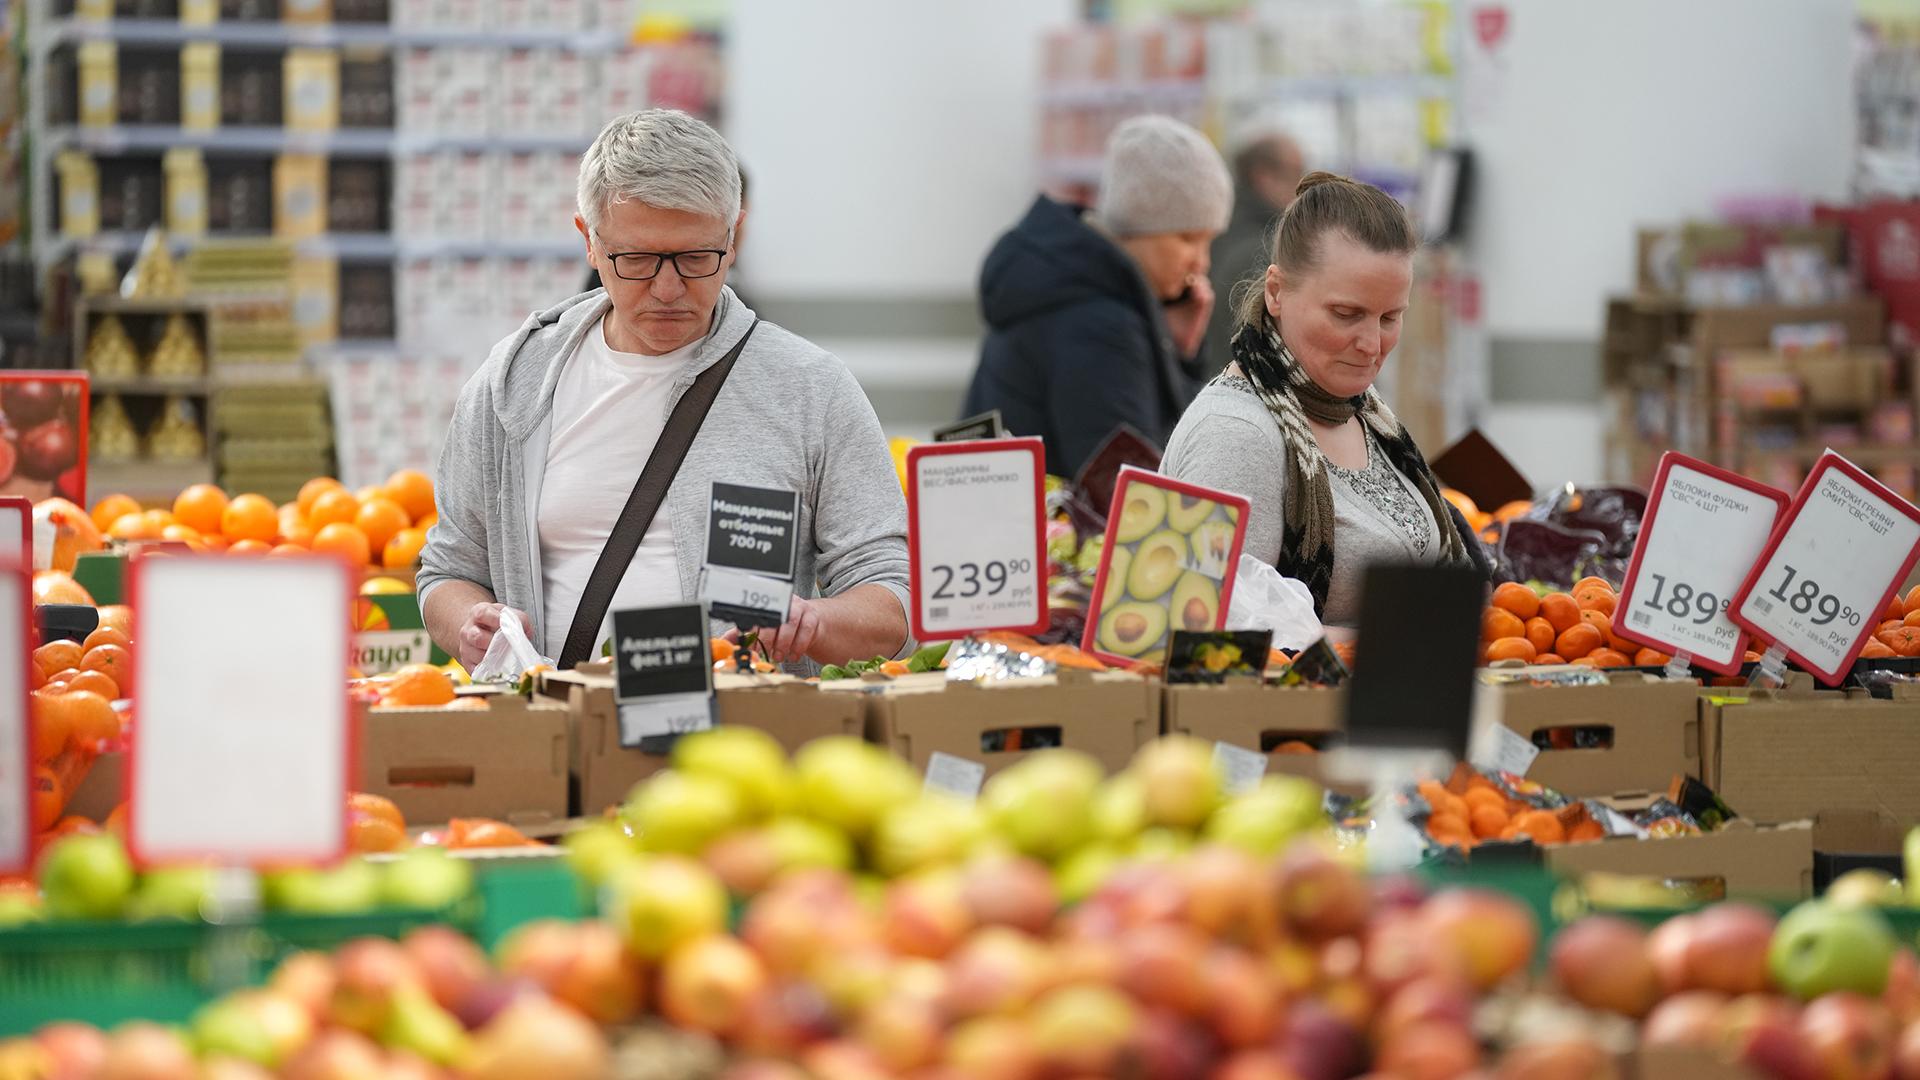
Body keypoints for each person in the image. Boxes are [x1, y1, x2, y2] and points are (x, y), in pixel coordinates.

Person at [419, 109, 910, 670]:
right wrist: (470, 622)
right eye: (637, 260)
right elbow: (449, 569)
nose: (669, 289)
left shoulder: (809, 389)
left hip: (741, 719)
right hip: (564, 717)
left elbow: (891, 596)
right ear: (589, 241)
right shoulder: (514, 383)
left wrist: (816, 622)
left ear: (734, 236)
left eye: (697, 258)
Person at [1161, 172, 1489, 626]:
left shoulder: (1361, 411)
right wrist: (1367, 646)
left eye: (1390, 318)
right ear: (1276, 293)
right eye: (1346, 314)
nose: (1371, 345)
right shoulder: (1235, 435)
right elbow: (1201, 636)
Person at [962, 115, 1231, 479]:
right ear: (1137, 224)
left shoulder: (1063, 283)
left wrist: (1177, 352)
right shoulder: (1100, 324)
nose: (1202, 261)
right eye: (1188, 238)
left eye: (1208, 241)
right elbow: (1135, 491)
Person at [1203, 131, 1304, 376]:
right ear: (1263, 176)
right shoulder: (1266, 248)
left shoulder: (1220, 225)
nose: (1301, 185)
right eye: (1295, 173)